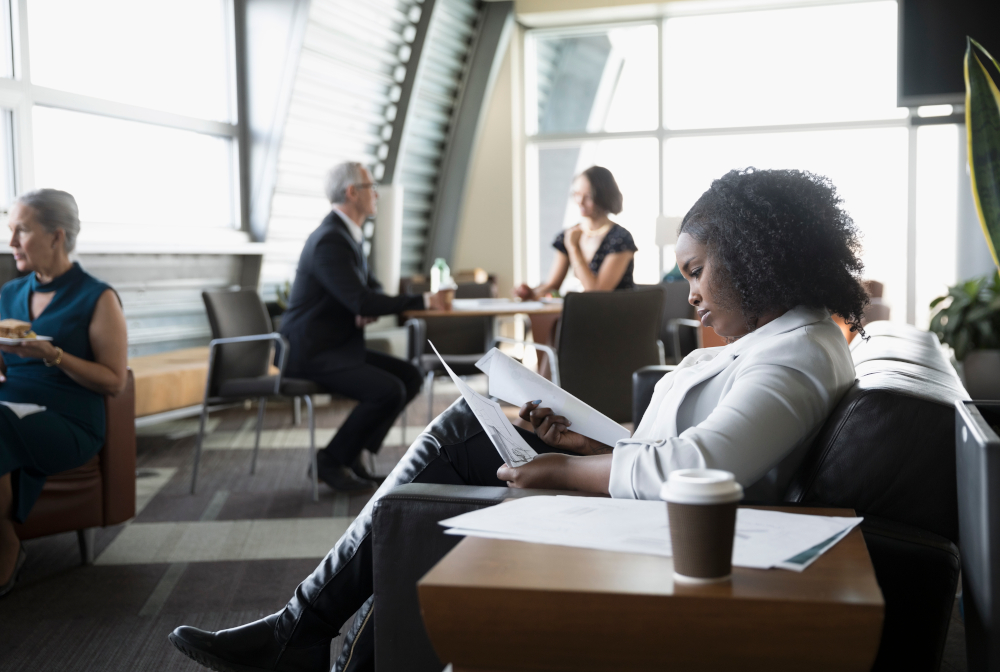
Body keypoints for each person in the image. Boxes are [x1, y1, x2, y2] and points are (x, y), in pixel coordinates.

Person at [168, 168, 867, 672]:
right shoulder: (785, 340)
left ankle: (301, 630)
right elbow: (684, 451)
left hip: (675, 536)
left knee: (454, 445)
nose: (688, 296)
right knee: (467, 430)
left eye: (695, 271)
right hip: (658, 508)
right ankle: (308, 631)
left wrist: (563, 467)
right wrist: (582, 439)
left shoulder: (796, 354)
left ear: (750, 261)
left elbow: (690, 473)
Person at [279, 162, 451, 492]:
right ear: (351, 192)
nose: (377, 194)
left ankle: (351, 453)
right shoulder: (331, 239)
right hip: (311, 352)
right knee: (387, 390)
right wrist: (423, 301)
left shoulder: (347, 235)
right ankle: (331, 460)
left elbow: (368, 294)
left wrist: (363, 304)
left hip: (337, 346)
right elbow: (362, 301)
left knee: (409, 376)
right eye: (371, 186)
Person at [0, 189, 129, 598]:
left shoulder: (98, 297)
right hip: (12, 410)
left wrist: (53, 354)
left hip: (70, 422)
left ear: (56, 236)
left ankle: (5, 546)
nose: (11, 243)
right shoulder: (9, 295)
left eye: (21, 230)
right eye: (10, 231)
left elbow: (114, 381)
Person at [515, 165, 637, 301]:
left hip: (617, 314)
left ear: (604, 197)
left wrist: (574, 248)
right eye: (577, 195)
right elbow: (552, 285)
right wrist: (532, 293)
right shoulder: (568, 235)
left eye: (588, 197)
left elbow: (597, 294)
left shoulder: (620, 239)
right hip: (583, 313)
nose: (580, 202)